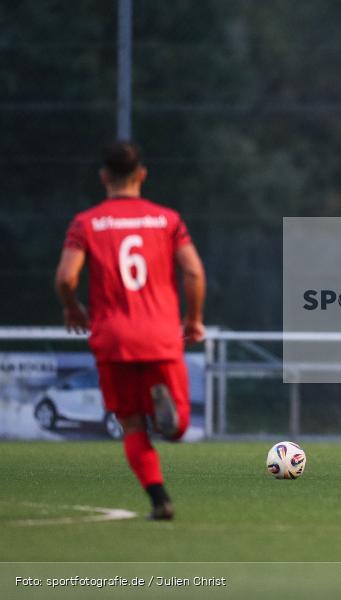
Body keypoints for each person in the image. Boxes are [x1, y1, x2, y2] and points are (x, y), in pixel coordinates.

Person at [55, 140, 207, 518]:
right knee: (178, 428)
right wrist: (193, 319)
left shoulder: (87, 223)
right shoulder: (167, 220)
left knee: (132, 423)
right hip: (160, 334)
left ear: (104, 177)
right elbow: (193, 271)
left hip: (113, 337)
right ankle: (169, 421)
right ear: (142, 175)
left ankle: (159, 500)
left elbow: (66, 277)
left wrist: (72, 308)